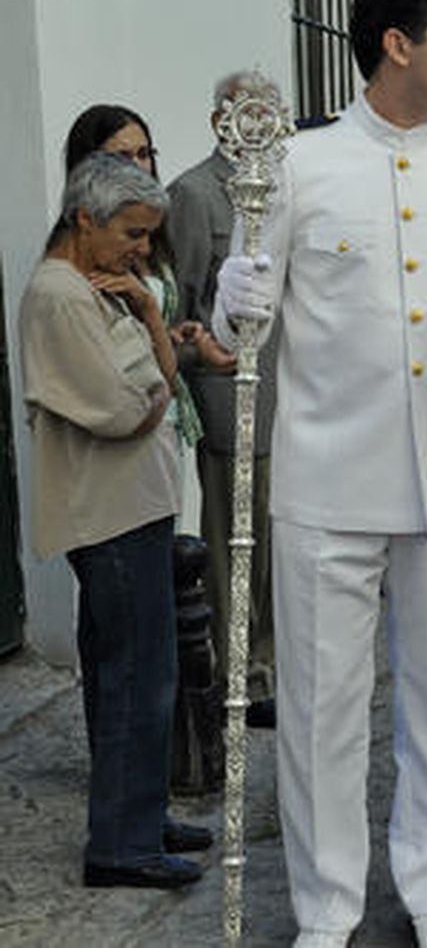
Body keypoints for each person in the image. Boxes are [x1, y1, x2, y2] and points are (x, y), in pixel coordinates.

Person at [213, 0, 427, 948]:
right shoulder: (298, 165)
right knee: (320, 708)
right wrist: (235, 302)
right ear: (398, 45)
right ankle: (327, 904)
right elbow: (245, 324)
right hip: (325, 477)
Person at [19, 152, 213, 890]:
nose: (141, 248)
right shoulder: (63, 296)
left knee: (131, 672)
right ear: (85, 219)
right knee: (136, 675)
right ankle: (121, 843)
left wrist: (147, 327)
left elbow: (150, 384)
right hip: (110, 511)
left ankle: (137, 815)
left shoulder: (98, 290)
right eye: (132, 232)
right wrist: (157, 367)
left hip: (131, 504)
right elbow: (125, 407)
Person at [165, 72, 279, 723]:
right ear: (223, 121)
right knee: (234, 539)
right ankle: (238, 673)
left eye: (274, 112)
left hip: (285, 393)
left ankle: (269, 662)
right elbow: (180, 306)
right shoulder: (192, 192)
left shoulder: (282, 192)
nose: (266, 124)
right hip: (224, 392)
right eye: (252, 112)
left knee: (275, 541)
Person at [64, 105, 230, 539]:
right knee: (124, 566)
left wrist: (179, 335)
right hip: (120, 429)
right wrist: (154, 321)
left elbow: (146, 324)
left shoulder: (150, 234)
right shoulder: (87, 239)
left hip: (167, 419)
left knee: (158, 560)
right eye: (121, 157)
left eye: (144, 153)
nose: (138, 166)